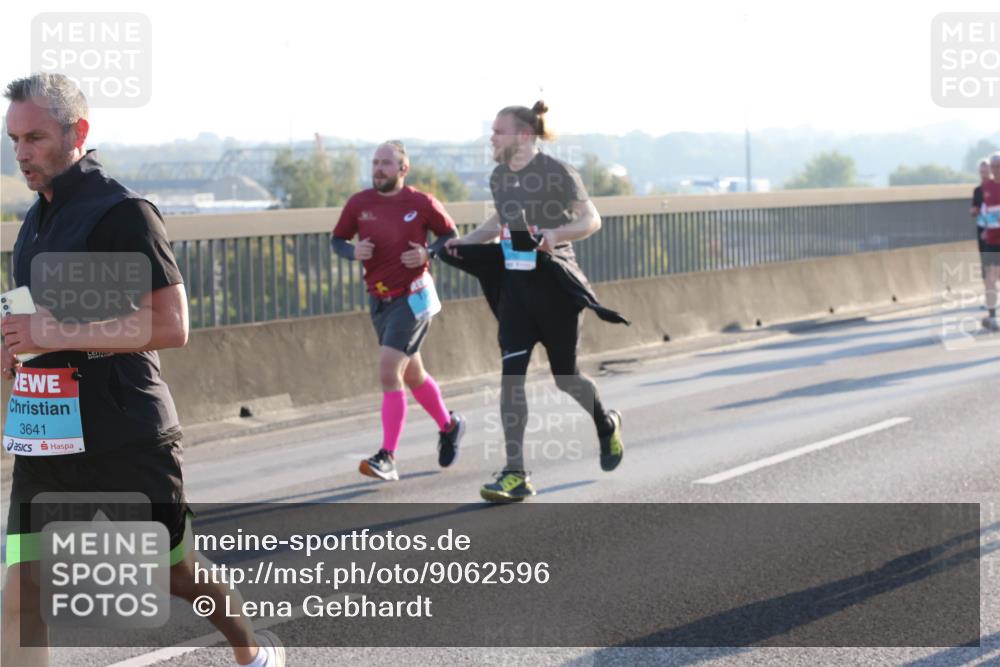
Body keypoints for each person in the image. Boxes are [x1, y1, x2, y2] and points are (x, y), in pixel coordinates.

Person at [1, 73, 284, 667]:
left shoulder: (123, 212)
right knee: (21, 592)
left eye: (34, 138)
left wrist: (55, 334)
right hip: (45, 432)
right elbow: (31, 319)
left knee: (175, 574)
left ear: (77, 132)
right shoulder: (35, 219)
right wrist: (14, 344)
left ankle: (251, 650)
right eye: (13, 140)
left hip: (124, 429)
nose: (21, 153)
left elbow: (170, 324)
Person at [441, 101, 628, 502]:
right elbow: (500, 223)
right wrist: (465, 242)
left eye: (498, 131)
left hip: (556, 291)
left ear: (523, 136)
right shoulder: (498, 177)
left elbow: (591, 219)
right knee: (511, 379)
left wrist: (557, 234)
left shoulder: (557, 172)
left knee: (566, 378)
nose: (491, 138)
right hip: (516, 291)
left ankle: (606, 423)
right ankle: (516, 473)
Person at [332, 141, 465, 481]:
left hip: (414, 298)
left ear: (403, 169)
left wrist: (427, 254)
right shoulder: (359, 203)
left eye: (387, 163)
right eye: (375, 162)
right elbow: (338, 240)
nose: (378, 168)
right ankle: (450, 426)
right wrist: (353, 251)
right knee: (412, 374)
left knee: (390, 369)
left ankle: (387, 456)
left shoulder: (421, 203)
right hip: (378, 300)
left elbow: (450, 234)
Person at [979, 152, 1000, 332]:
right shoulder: (987, 187)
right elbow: (986, 212)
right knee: (990, 277)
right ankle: (993, 315)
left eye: (998, 166)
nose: (995, 170)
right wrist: (985, 227)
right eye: (993, 167)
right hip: (992, 239)